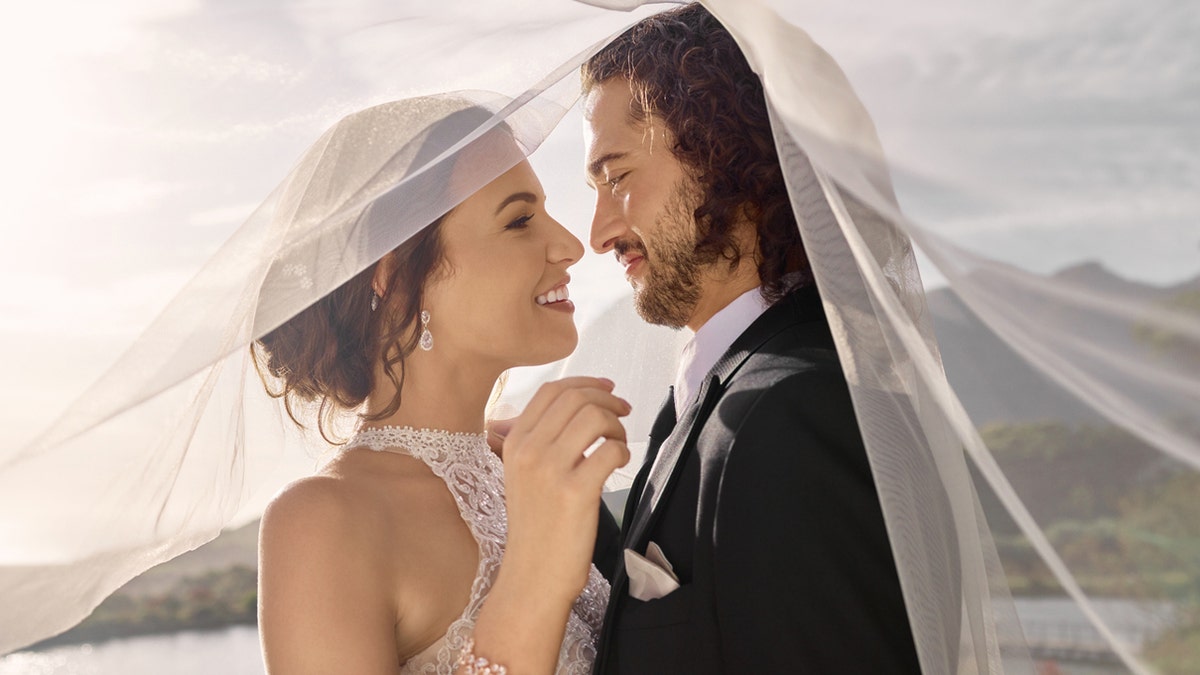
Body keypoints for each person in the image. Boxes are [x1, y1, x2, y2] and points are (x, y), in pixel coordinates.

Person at [581, 5, 925, 672]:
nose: (597, 232)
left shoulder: (795, 415)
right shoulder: (730, 393)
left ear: (723, 154)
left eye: (617, 176)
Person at [254, 99, 629, 674]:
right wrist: (536, 577)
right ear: (396, 272)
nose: (570, 246)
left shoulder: (519, 469)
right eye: (519, 221)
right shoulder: (324, 522)